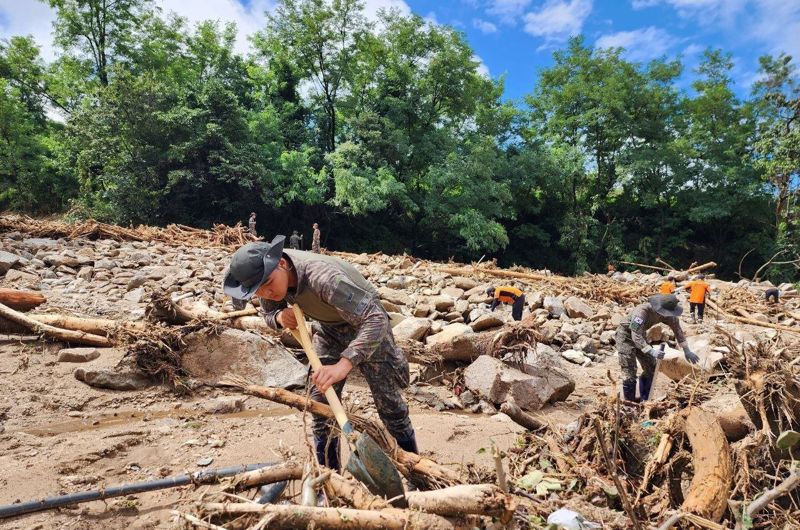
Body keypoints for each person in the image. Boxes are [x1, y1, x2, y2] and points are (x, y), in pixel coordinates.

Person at [223, 235, 418, 470]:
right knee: (320, 405)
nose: (266, 293)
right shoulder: (269, 284)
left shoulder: (324, 278)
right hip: (328, 331)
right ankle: (329, 477)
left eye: (268, 283)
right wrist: (278, 317)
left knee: (391, 407)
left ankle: (415, 471)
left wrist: (344, 364)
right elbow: (267, 314)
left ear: (282, 264)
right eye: (258, 290)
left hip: (367, 327)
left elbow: (376, 319)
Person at [616, 294, 699, 401]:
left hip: (641, 336)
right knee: (629, 369)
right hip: (626, 335)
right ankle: (629, 403)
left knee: (651, 366)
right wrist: (651, 351)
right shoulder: (641, 312)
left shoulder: (668, 315)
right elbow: (635, 334)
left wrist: (687, 350)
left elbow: (677, 330)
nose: (666, 315)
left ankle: (644, 399)